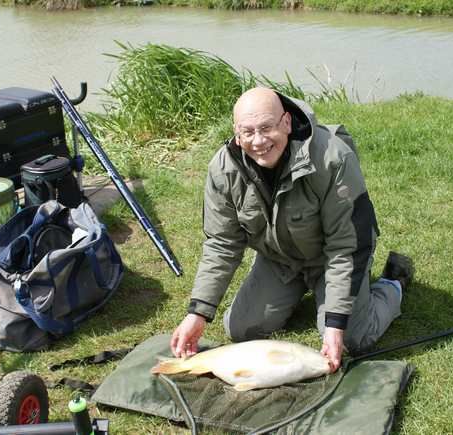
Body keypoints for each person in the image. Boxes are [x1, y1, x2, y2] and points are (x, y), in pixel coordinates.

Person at [170, 87, 414, 371]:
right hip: (279, 259)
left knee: (352, 340)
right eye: (247, 132)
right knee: (240, 330)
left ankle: (392, 284)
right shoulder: (224, 169)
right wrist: (197, 313)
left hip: (332, 257)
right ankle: (300, 292)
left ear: (286, 122)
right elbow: (222, 244)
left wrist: (335, 326)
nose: (258, 141)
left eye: (266, 128)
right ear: (237, 133)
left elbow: (346, 246)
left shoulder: (333, 157)